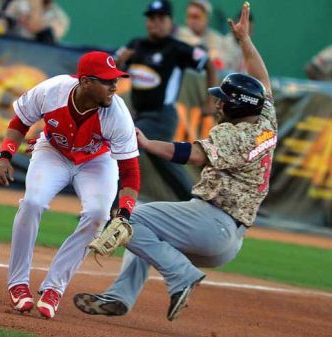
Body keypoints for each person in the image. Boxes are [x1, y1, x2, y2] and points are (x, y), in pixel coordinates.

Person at [73, 2, 277, 321]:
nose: (217, 103)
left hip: (211, 222)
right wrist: (244, 40)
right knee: (145, 229)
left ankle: (180, 274)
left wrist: (147, 143)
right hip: (229, 239)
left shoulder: (235, 136)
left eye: (223, 99)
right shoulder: (266, 120)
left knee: (130, 217)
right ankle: (119, 296)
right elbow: (261, 78)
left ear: (236, 106)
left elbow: (191, 154)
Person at [0, 51, 140, 319]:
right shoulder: (53, 90)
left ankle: (54, 288)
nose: (114, 86)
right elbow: (20, 121)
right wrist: (5, 155)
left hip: (97, 161)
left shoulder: (117, 114)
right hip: (53, 151)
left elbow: (129, 171)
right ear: (85, 82)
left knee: (98, 215)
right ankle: (18, 283)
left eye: (115, 80)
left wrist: (125, 211)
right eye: (107, 81)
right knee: (32, 203)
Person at [116, 0, 217, 202]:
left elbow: (209, 65)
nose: (155, 23)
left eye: (161, 18)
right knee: (165, 164)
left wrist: (210, 100)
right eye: (151, 18)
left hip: (161, 116)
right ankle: (194, 202)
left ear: (171, 21)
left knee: (125, 147)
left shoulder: (177, 48)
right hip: (140, 114)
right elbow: (115, 70)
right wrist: (121, 61)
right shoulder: (136, 45)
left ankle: (111, 207)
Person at [0, 0, 69, 43]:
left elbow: (34, 27)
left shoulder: (60, 18)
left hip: (36, 63)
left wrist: (36, 6)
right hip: (9, 53)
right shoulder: (18, 4)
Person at [174, 0, 224, 69]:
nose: (192, 20)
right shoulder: (178, 34)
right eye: (189, 16)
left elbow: (219, 65)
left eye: (196, 16)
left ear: (207, 18)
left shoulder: (216, 38)